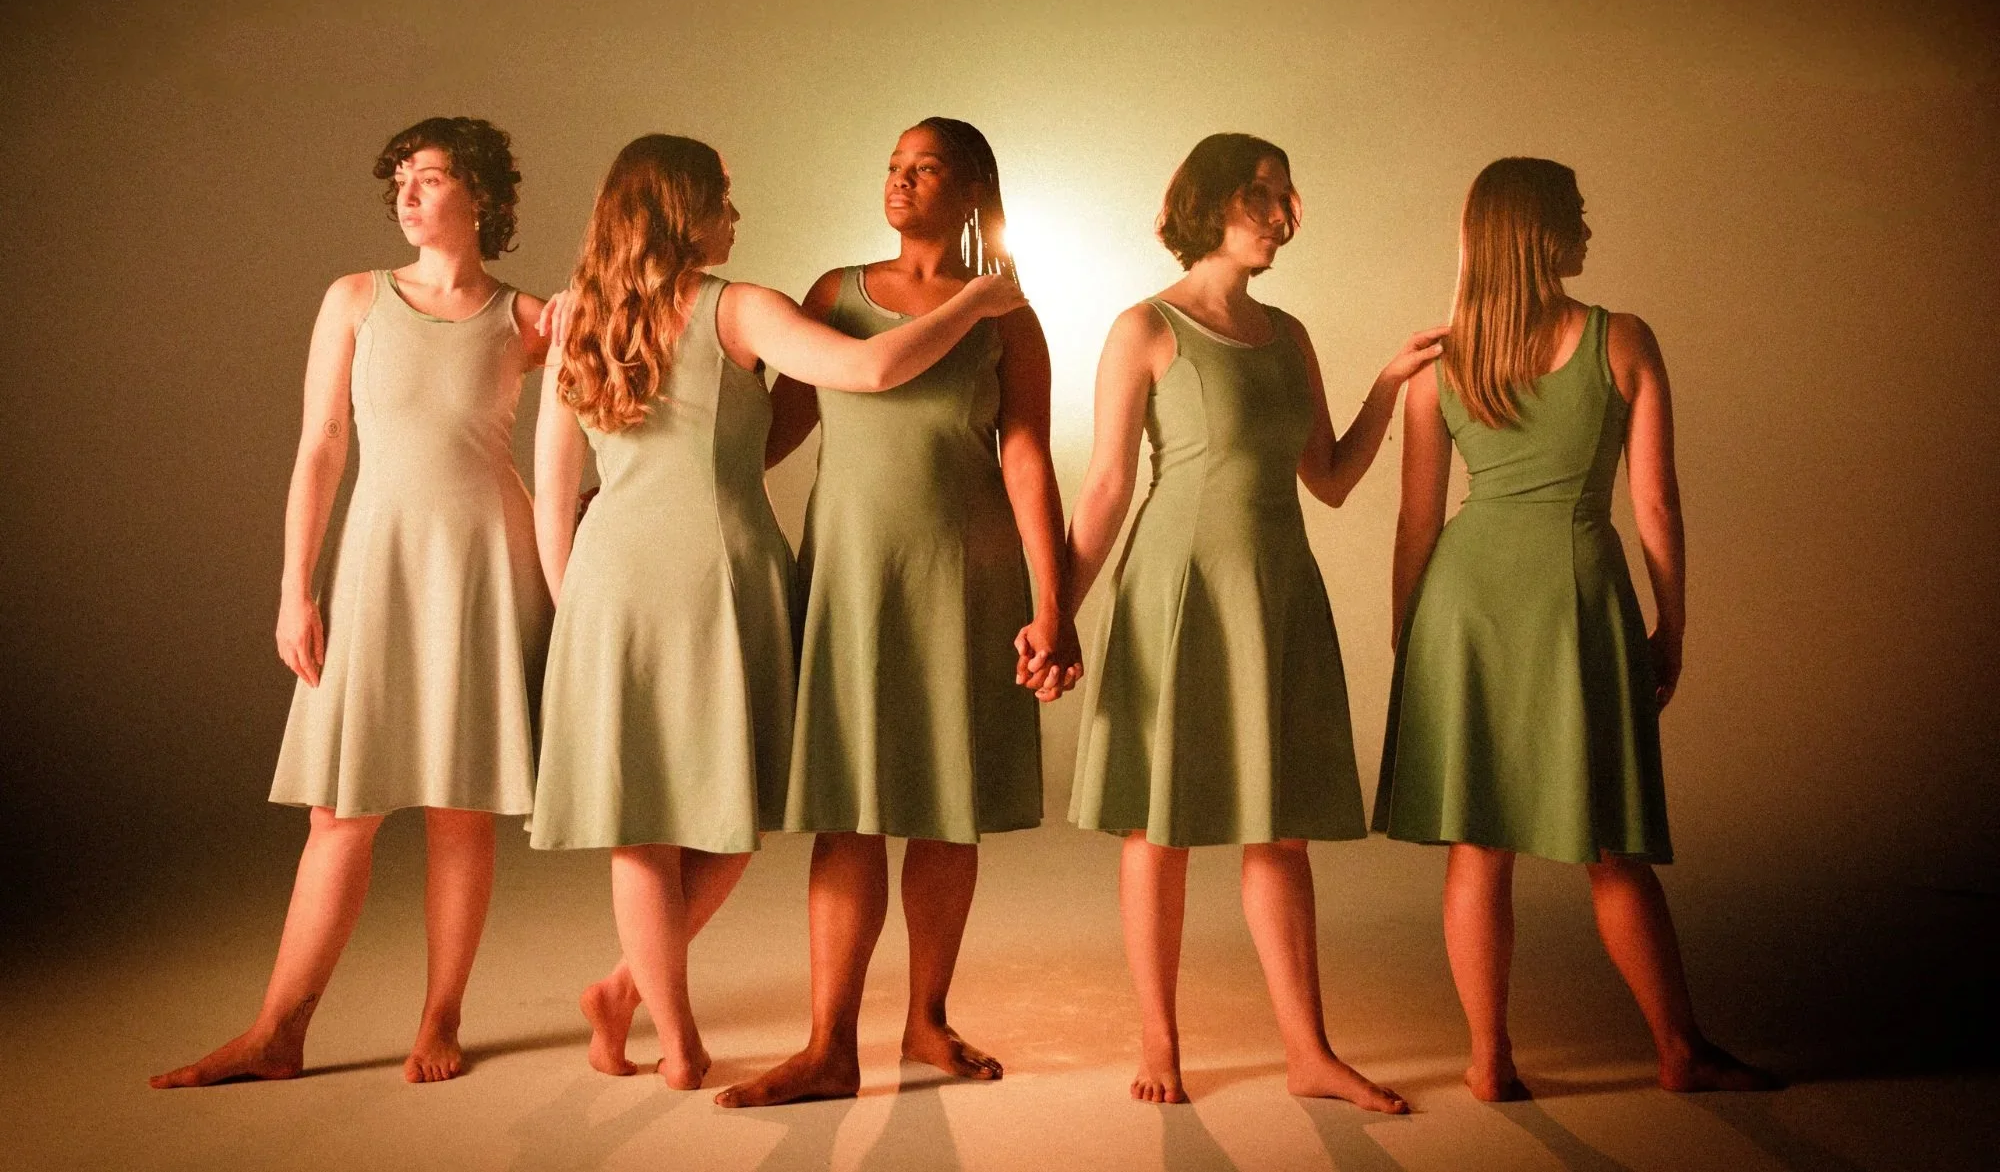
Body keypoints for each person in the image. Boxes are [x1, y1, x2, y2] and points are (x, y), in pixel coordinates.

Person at [530, 133, 1026, 1090]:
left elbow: (553, 491)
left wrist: (571, 607)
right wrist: (981, 298)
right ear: (683, 210)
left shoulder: (579, 320)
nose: (734, 212)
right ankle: (663, 1026)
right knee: (733, 811)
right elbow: (873, 372)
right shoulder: (742, 306)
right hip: (726, 571)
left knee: (645, 822)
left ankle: (650, 1015)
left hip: (609, 583)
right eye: (721, 195)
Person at [151, 117, 552, 1088]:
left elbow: (620, 393)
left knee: (462, 811)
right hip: (376, 563)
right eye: (400, 181)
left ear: (483, 199)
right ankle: (277, 1030)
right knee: (339, 813)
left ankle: (440, 1020)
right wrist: (296, 587)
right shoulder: (357, 299)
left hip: (488, 563)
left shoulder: (529, 316)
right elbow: (322, 444)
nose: (408, 194)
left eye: (431, 177)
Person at [1373, 156, 1779, 1100]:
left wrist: (1410, 636)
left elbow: (1416, 522)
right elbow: (1658, 508)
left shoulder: (1442, 368)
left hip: (1462, 605)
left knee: (1479, 844)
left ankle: (1489, 1061)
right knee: (1610, 847)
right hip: (1576, 594)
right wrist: (1671, 627)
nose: (1590, 227)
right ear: (1543, 234)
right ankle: (1680, 1049)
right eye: (1577, 214)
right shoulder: (1621, 339)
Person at [1063, 133, 1441, 1109]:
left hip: (1275, 587)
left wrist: (1389, 386)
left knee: (1278, 833)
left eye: (1285, 193)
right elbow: (1104, 486)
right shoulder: (1143, 327)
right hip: (1177, 588)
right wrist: (1051, 612)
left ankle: (1308, 1053)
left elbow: (1329, 479)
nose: (1282, 212)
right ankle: (1159, 1042)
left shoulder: (1289, 334)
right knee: (1160, 825)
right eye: (1262, 194)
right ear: (1213, 202)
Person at [717, 117, 1075, 1108]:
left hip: (965, 574)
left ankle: (926, 1018)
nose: (900, 181)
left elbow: (1026, 456)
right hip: (849, 578)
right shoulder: (833, 294)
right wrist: (656, 490)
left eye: (925, 169)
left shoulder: (1006, 314)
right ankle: (828, 1042)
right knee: (846, 811)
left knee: (944, 807)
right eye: (891, 166)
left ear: (969, 193)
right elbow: (773, 432)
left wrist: (1054, 602)